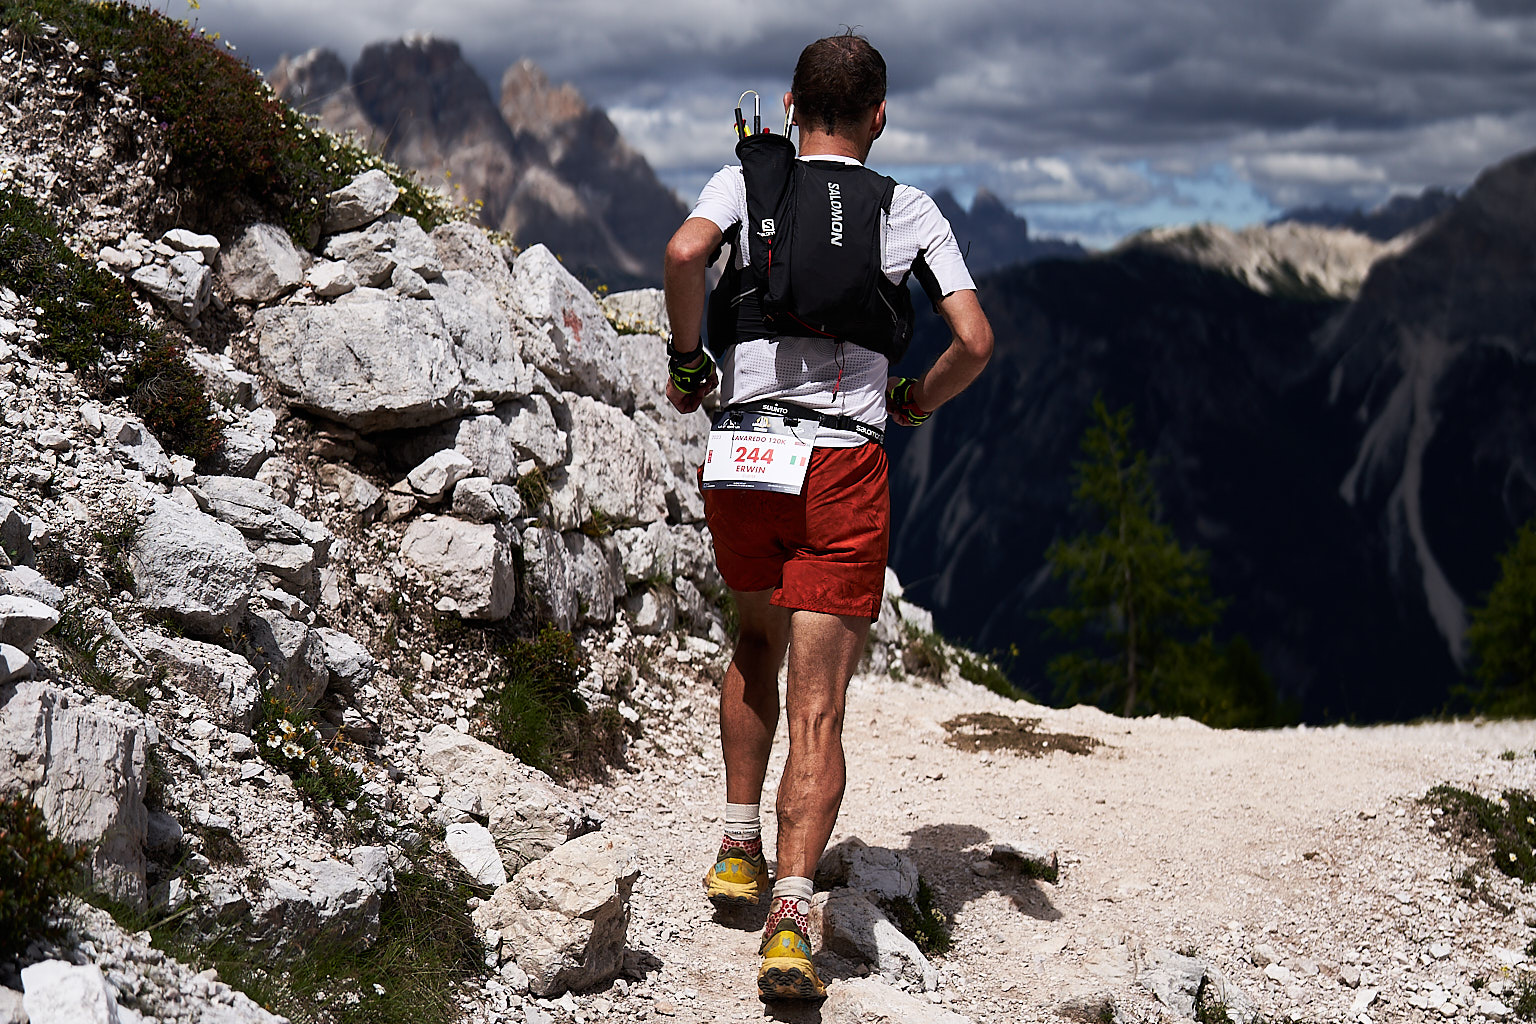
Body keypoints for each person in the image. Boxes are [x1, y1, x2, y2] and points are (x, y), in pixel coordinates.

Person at [661, 30, 993, 1001]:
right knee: (820, 705)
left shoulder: (747, 180)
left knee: (753, 641)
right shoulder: (908, 209)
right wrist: (918, 398)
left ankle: (735, 846)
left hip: (741, 458)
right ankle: (793, 919)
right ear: (878, 118)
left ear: (791, 108)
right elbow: (973, 338)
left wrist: (690, 362)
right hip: (840, 467)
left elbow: (685, 253)